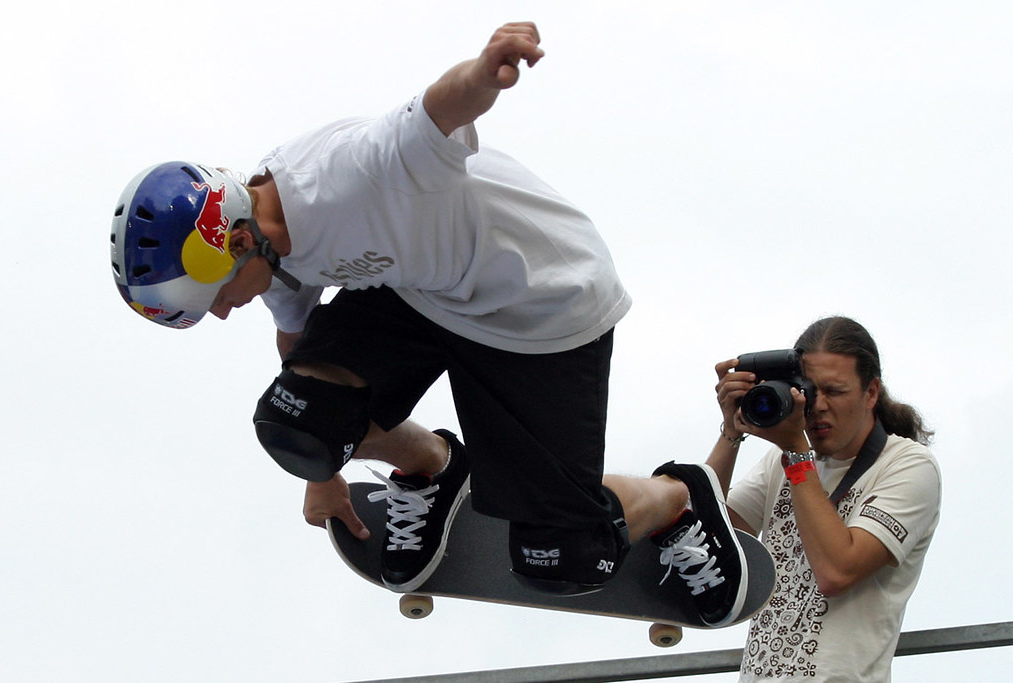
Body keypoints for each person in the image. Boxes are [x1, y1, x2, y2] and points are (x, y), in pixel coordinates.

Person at [110, 22, 749, 626]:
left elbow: (433, 115)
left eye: (216, 297)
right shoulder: (273, 253)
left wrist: (485, 69)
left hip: (543, 306)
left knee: (566, 559)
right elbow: (298, 346)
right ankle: (433, 466)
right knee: (295, 420)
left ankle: (676, 498)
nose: (223, 312)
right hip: (422, 297)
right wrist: (322, 471)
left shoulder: (345, 176)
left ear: (241, 238)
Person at [710, 316, 941, 681]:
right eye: (811, 391)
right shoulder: (781, 457)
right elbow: (708, 540)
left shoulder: (907, 464)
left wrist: (797, 455)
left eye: (835, 391)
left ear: (871, 393)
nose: (818, 407)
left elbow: (836, 571)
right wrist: (731, 432)